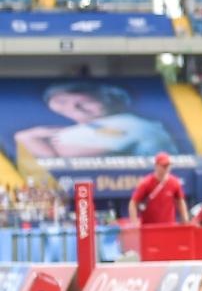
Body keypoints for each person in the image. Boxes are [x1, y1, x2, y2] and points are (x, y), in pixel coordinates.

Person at [15, 81, 177, 159]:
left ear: (106, 98)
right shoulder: (95, 127)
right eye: (64, 108)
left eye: (84, 103)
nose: (76, 110)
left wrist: (32, 136)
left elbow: (59, 157)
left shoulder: (128, 123)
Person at [129, 151, 189, 225]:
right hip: (149, 226)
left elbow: (180, 201)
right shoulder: (146, 183)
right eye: (163, 165)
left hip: (169, 226)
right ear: (156, 166)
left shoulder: (174, 182)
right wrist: (134, 222)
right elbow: (133, 202)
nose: (166, 168)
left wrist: (185, 218)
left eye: (168, 165)